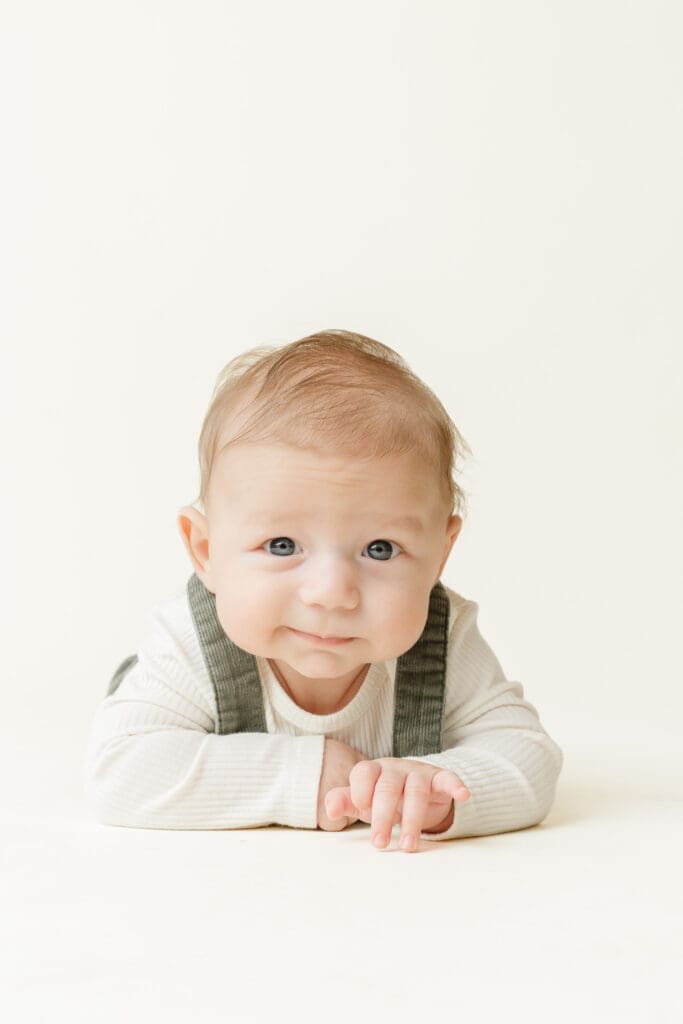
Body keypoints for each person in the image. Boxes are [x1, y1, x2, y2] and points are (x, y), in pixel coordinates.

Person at [82, 329, 563, 852]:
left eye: (380, 549)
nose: (331, 593)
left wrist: (442, 790)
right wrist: (301, 776)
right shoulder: (191, 642)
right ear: (205, 550)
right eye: (282, 544)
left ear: (438, 556)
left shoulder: (444, 640)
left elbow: (529, 753)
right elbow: (118, 770)